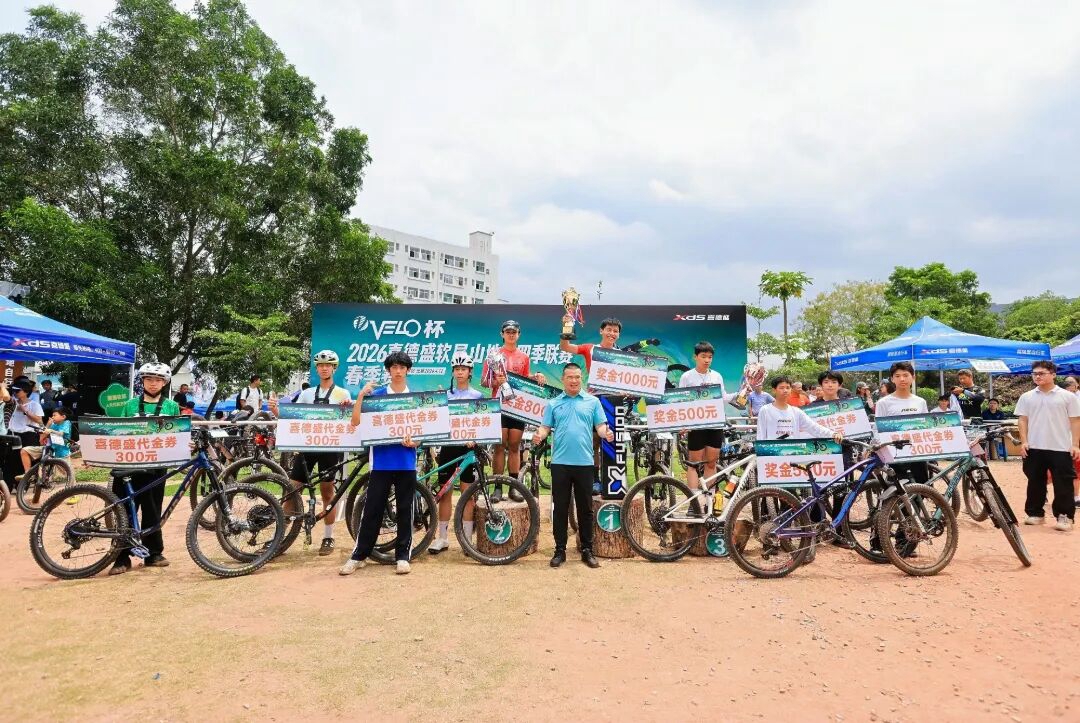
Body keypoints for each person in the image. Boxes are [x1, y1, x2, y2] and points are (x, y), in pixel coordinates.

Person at [342, 351, 419, 576]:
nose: (397, 371)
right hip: (381, 462)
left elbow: (424, 429)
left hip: (406, 462)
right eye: (393, 367)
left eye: (401, 367)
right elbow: (355, 422)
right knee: (372, 509)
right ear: (388, 370)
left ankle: (403, 556)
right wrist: (361, 397)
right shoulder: (376, 396)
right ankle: (359, 555)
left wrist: (416, 442)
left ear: (407, 370)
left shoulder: (415, 398)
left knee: (405, 510)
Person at [531, 362, 614, 569]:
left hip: (585, 463)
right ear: (563, 379)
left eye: (577, 377)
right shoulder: (553, 403)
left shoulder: (593, 402)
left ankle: (587, 549)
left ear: (581, 378)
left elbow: (600, 427)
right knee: (560, 508)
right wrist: (538, 436)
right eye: (570, 377)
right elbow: (544, 427)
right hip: (560, 464)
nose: (574, 380)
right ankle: (560, 550)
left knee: (585, 509)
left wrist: (607, 433)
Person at [269, 350, 352, 555]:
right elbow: (293, 418)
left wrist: (347, 408)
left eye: (328, 365)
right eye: (321, 365)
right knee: (292, 490)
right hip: (307, 448)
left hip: (330, 449)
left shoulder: (343, 393)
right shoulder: (306, 394)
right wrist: (276, 411)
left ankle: (328, 536)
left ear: (334, 368)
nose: (324, 368)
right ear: (317, 369)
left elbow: (349, 420)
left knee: (327, 491)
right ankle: (280, 538)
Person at [109, 362, 182, 575]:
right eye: (149, 379)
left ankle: (153, 553)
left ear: (165, 383)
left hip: (156, 466)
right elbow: (118, 432)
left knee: (152, 508)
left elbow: (177, 433)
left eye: (158, 380)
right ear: (142, 381)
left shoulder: (171, 406)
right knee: (124, 510)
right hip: (129, 465)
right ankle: (121, 557)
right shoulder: (130, 405)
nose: (153, 384)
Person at [481, 320, 546, 503]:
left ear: (518, 334)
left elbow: (524, 381)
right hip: (499, 406)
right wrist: (496, 382)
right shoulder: (493, 355)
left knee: (515, 446)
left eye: (514, 332)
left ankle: (514, 488)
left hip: (516, 406)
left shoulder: (523, 357)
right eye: (507, 331)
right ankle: (498, 487)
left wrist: (537, 376)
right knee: (500, 446)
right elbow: (484, 381)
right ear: (502, 334)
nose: (511, 334)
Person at [429, 351, 484, 554]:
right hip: (448, 448)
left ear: (470, 372)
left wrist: (475, 439)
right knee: (445, 493)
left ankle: (467, 539)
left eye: (464, 369)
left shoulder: (477, 395)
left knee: (467, 495)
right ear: (453, 372)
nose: (460, 372)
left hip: (467, 449)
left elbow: (481, 422)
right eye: (457, 369)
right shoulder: (445, 394)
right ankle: (442, 538)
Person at [1017, 361, 1080, 531]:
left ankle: (1065, 516)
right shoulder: (1027, 397)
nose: (1037, 376)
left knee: (1063, 482)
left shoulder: (1067, 397)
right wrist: (1024, 441)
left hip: (1061, 447)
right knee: (1035, 481)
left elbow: (1075, 421)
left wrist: (1075, 444)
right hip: (1035, 446)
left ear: (1053, 374)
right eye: (1034, 373)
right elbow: (1022, 420)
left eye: (1042, 373)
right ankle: (1035, 514)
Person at [678, 341, 737, 491]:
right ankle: (694, 500)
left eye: (710, 357)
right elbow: (679, 401)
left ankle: (709, 498)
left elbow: (723, 397)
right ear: (695, 357)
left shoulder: (717, 376)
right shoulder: (687, 377)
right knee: (693, 464)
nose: (707, 360)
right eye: (703, 356)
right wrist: (682, 423)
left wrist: (739, 394)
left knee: (711, 463)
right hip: (696, 425)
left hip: (715, 425)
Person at [874, 362, 930, 484]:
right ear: (892, 379)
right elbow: (878, 428)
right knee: (897, 490)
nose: (902, 379)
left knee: (921, 486)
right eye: (897, 376)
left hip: (917, 451)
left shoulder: (920, 402)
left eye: (906, 375)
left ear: (913, 377)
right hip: (895, 453)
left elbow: (926, 426)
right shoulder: (883, 402)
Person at [757, 376, 843, 443]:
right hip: (772, 456)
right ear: (774, 390)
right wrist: (761, 454)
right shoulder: (765, 410)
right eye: (781, 388)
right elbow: (761, 435)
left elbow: (813, 427)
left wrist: (832, 434)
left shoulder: (796, 412)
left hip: (793, 453)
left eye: (787, 387)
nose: (785, 390)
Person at [18, 406, 72, 476]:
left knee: (68, 475)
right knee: (24, 450)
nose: (52, 417)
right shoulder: (53, 425)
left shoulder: (66, 423)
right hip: (50, 451)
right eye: (52, 415)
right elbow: (41, 439)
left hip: (63, 453)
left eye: (54, 415)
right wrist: (48, 425)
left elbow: (61, 434)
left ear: (63, 417)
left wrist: (51, 431)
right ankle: (27, 474)